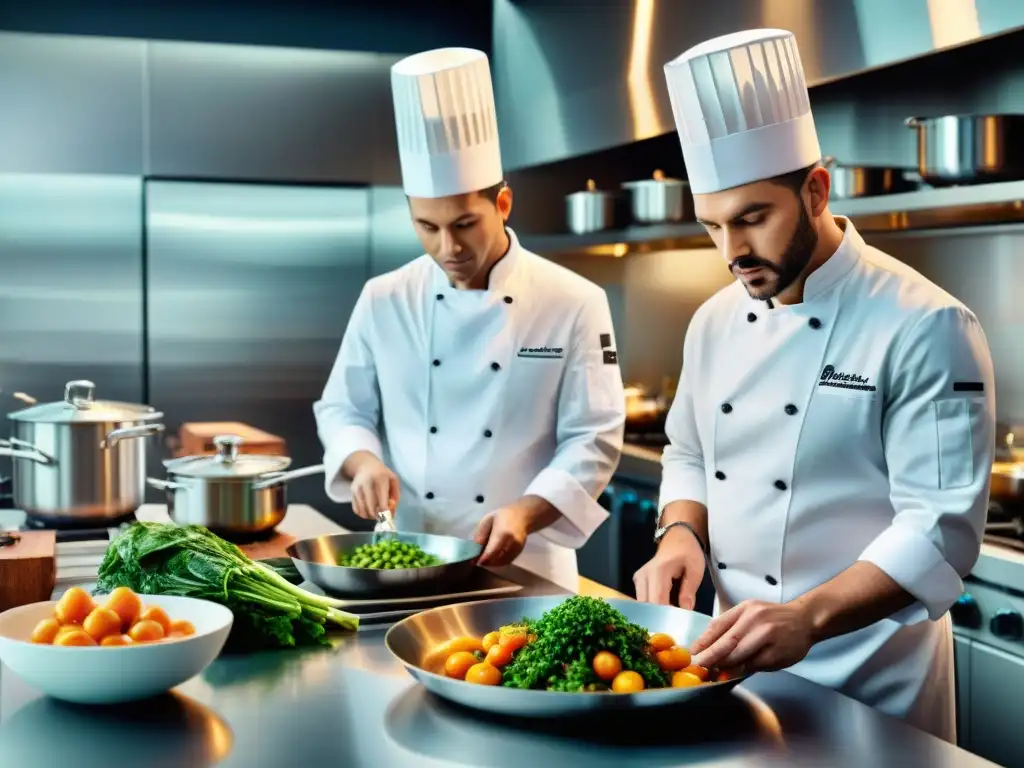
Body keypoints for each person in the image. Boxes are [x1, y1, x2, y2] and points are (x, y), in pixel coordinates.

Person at [634, 29, 995, 742]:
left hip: (873, 689)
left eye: (752, 218)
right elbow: (688, 453)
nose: (732, 252)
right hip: (736, 667)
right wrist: (680, 532)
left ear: (816, 189)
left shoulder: (925, 323)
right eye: (712, 226)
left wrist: (807, 617)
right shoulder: (712, 322)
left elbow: (941, 530)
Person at [313, 47, 625, 592]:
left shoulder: (573, 300)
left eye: (464, 223)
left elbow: (593, 437)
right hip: (408, 560)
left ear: (503, 203)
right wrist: (363, 463)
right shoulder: (384, 297)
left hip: (526, 567)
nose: (448, 247)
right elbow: (344, 406)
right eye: (426, 227)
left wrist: (526, 512)